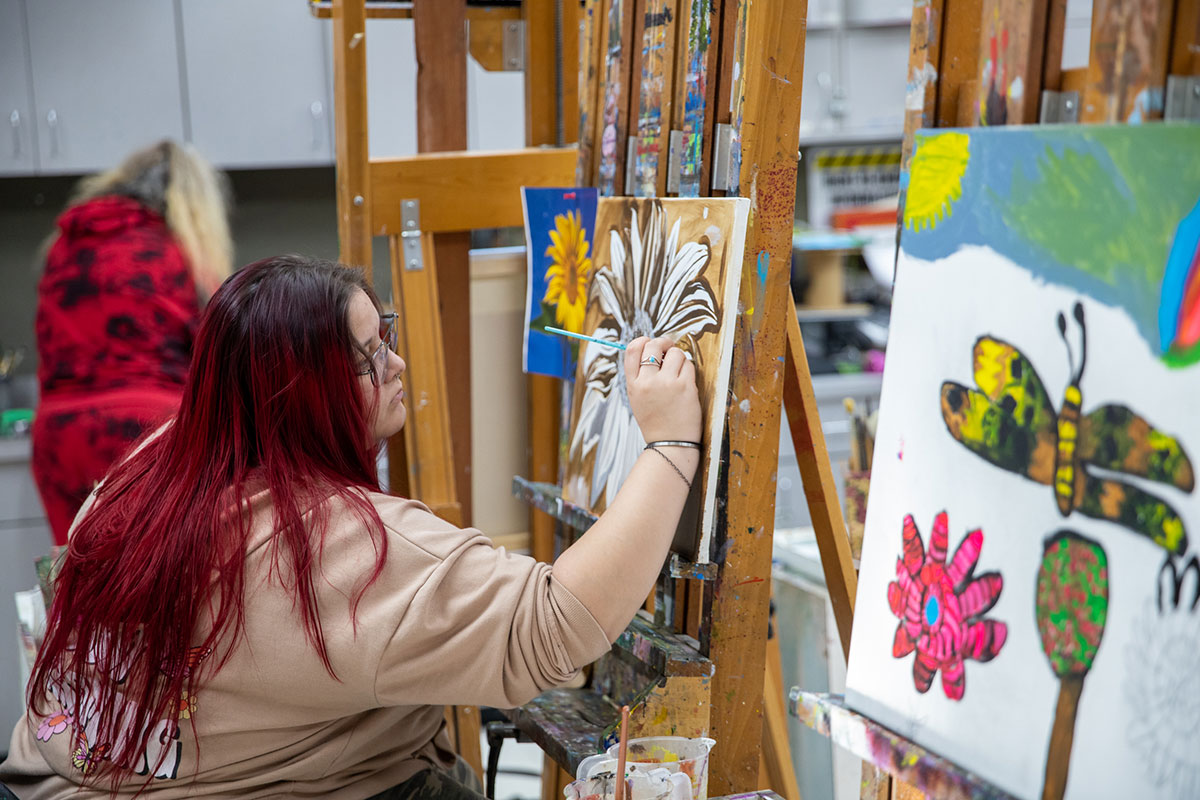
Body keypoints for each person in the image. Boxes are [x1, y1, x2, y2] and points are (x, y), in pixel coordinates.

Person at [0, 255, 702, 799]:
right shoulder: (333, 549)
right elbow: (557, 624)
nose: (397, 364)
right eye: (369, 358)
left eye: (385, 334)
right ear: (300, 395)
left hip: (52, 776)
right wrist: (670, 443)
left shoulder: (151, 465)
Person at [31, 140, 233, 545]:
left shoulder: (63, 244)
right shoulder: (179, 250)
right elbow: (214, 346)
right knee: (157, 569)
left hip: (59, 436)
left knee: (75, 570)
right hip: (147, 427)